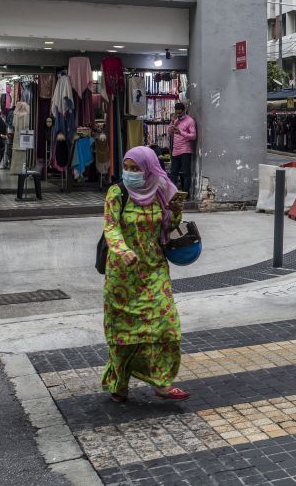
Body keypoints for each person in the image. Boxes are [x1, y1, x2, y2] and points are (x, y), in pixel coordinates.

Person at [101, 146, 188, 402]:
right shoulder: (117, 193)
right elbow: (111, 226)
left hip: (154, 269)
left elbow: (169, 226)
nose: (129, 174)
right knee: (123, 334)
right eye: (126, 168)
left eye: (135, 169)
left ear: (148, 169)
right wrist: (122, 249)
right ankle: (119, 382)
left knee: (166, 325)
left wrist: (177, 210)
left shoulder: (161, 190)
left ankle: (163, 382)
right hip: (123, 275)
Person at [169, 102, 196, 194]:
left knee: (186, 173)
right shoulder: (176, 120)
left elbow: (193, 136)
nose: (178, 115)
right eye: (177, 113)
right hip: (175, 150)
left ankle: (185, 193)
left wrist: (181, 133)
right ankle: (172, 193)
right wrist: (172, 122)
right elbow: (169, 132)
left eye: (180, 113)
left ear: (184, 111)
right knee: (173, 173)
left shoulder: (190, 121)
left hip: (185, 150)